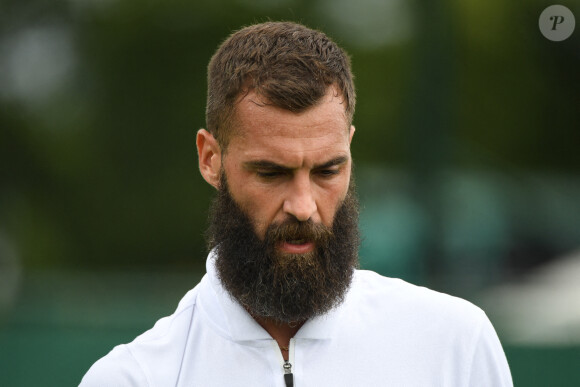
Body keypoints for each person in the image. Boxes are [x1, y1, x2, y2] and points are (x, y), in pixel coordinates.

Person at [80, 21, 513, 386]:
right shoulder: (134, 379)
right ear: (211, 160)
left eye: (327, 171)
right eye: (271, 173)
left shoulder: (455, 345)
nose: (304, 207)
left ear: (350, 150)